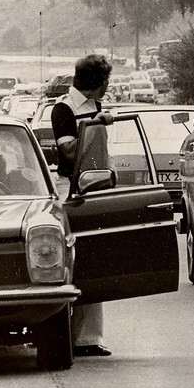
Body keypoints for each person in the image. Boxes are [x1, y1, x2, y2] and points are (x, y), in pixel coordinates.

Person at [50, 54, 114, 358]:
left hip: (96, 188)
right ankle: (68, 334)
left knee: (95, 261)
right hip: (71, 190)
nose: (107, 87)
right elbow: (69, 152)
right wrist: (93, 123)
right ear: (97, 82)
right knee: (72, 263)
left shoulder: (94, 107)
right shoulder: (64, 109)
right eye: (106, 81)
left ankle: (89, 337)